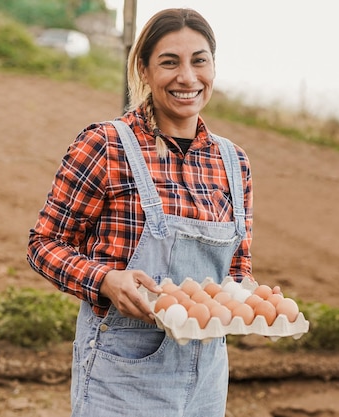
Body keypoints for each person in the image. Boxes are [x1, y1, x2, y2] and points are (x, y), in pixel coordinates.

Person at [27, 8, 253, 417]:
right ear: (144, 71)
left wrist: (249, 298)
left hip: (207, 373)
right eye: (170, 62)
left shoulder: (233, 162)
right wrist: (104, 279)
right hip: (123, 370)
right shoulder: (107, 146)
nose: (187, 77)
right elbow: (43, 244)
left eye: (199, 60)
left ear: (213, 67)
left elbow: (237, 266)